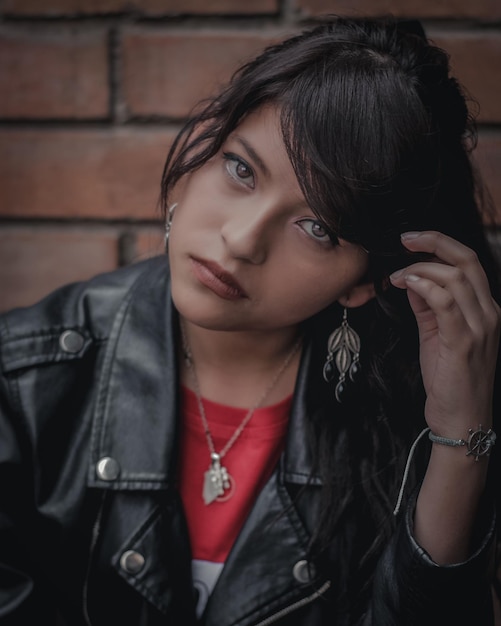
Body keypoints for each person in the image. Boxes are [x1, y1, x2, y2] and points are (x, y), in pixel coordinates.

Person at [1, 16, 500, 626]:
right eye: (241, 169)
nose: (241, 241)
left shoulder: (401, 417)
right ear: (208, 140)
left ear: (365, 281)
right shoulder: (23, 379)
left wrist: (458, 439)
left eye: (317, 228)